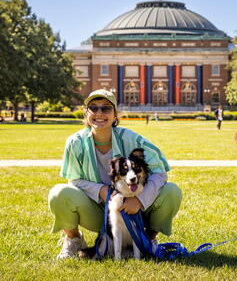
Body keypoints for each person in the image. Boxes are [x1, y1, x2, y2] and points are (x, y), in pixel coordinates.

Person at [48, 89, 182, 259]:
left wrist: (139, 200)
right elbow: (74, 180)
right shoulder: (76, 142)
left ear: (115, 114)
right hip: (97, 211)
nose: (99, 113)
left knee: (172, 191)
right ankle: (74, 240)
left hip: (137, 213)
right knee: (59, 194)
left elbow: (160, 173)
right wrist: (101, 190)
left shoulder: (132, 140)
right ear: (86, 113)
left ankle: (147, 240)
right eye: (93, 108)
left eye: (106, 108)